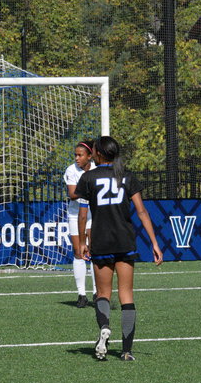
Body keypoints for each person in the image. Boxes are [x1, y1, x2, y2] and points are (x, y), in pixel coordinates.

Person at [75, 136, 163, 361]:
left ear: (98, 153)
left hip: (101, 241)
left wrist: (83, 242)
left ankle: (105, 327)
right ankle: (126, 351)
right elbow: (141, 211)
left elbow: (83, 215)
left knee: (103, 294)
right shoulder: (127, 176)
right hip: (125, 241)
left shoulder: (88, 177)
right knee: (126, 295)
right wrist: (154, 243)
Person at [63, 140, 97, 308]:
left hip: (94, 214)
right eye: (75, 155)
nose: (77, 158)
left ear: (89, 156)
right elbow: (72, 194)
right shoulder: (71, 170)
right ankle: (81, 294)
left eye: (80, 155)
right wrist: (90, 190)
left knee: (95, 252)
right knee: (78, 253)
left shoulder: (97, 169)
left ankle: (97, 293)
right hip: (75, 214)